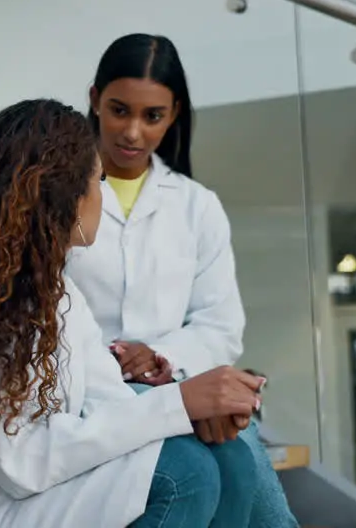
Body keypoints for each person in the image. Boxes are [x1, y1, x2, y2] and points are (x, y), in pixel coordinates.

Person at [0, 98, 267, 528]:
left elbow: (110, 405)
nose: (105, 193)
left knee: (229, 457)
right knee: (184, 475)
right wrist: (178, 403)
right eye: (99, 180)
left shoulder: (60, 293)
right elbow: (23, 464)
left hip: (39, 495)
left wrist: (195, 412)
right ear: (62, 193)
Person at [66, 33, 300, 526]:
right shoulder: (60, 193)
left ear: (173, 115)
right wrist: (119, 360)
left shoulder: (197, 205)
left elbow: (220, 326)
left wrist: (162, 360)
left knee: (239, 455)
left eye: (152, 116)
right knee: (232, 461)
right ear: (93, 100)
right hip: (88, 389)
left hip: (176, 380)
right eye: (118, 110)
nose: (132, 132)